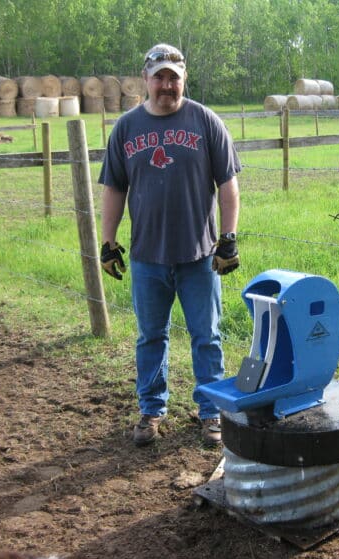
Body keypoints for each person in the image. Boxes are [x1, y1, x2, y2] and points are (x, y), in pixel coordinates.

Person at [98, 43, 241, 448]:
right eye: (158, 77)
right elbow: (114, 189)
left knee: (207, 336)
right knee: (150, 337)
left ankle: (211, 412)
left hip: (199, 255)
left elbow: (228, 185)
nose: (166, 85)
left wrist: (227, 239)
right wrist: (108, 243)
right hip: (147, 258)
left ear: (184, 79)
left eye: (173, 78)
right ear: (145, 79)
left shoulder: (206, 121)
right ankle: (151, 410)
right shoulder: (126, 128)